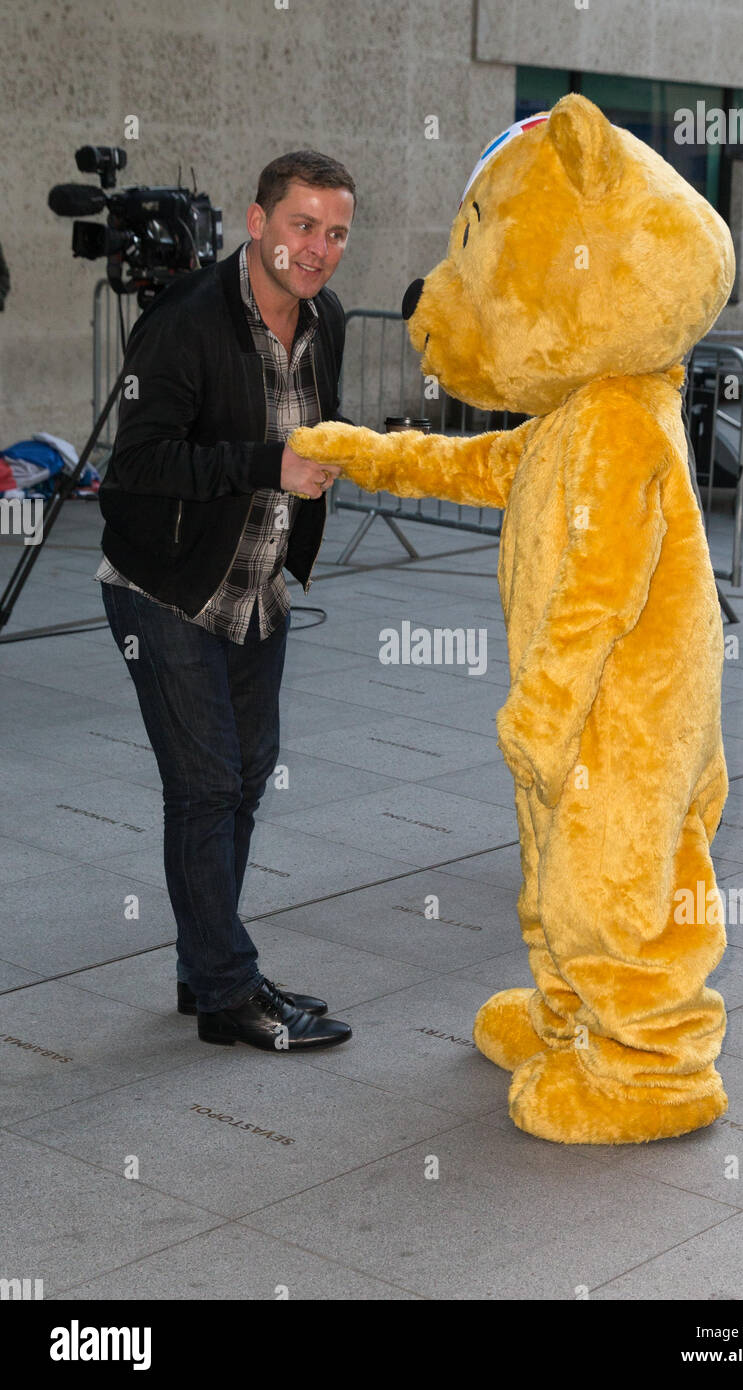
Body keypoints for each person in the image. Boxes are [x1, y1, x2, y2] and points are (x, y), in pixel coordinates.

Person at [94, 150, 355, 1053]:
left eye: (334, 232)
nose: (317, 248)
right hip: (166, 587)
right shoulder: (186, 321)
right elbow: (135, 466)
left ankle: (203, 967)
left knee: (244, 780)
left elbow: (316, 432)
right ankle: (230, 990)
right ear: (256, 223)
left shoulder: (332, 322)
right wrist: (265, 465)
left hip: (258, 589)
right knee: (206, 786)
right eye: (300, 225)